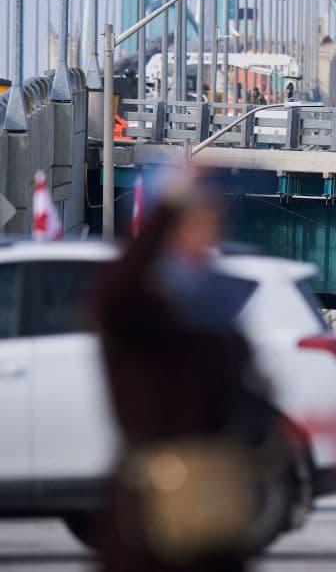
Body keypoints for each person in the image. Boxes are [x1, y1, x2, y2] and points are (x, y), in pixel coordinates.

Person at [93, 170, 276, 571]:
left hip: (215, 504)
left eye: (215, 222)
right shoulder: (142, 313)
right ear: (168, 232)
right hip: (149, 511)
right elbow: (114, 294)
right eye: (196, 222)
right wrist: (168, 202)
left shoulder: (218, 312)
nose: (207, 235)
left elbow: (249, 402)